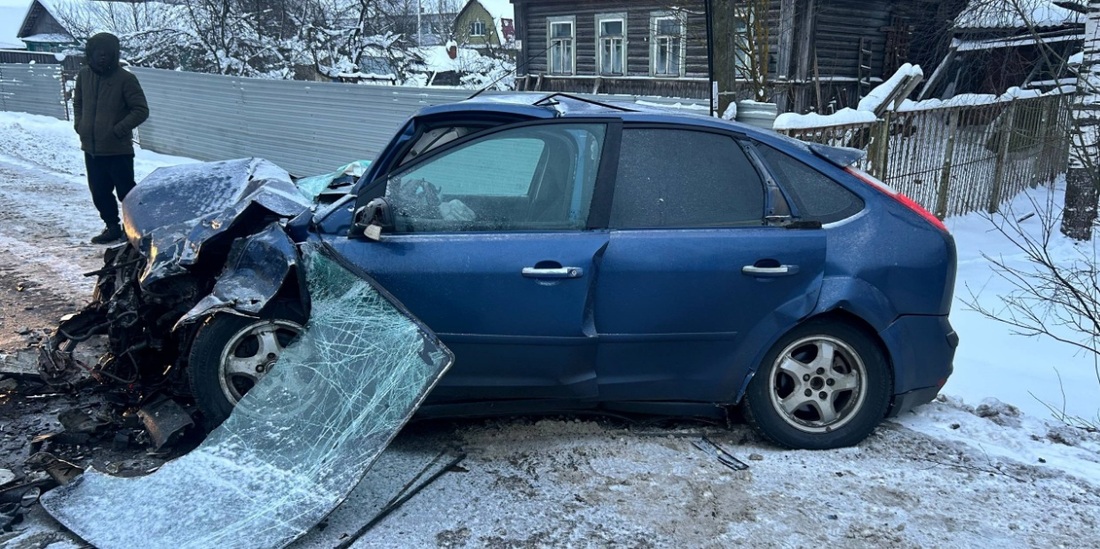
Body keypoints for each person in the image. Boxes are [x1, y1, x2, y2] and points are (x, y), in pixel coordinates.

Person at [73, 32, 149, 244]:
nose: (103, 57)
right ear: (91, 54)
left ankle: (136, 230)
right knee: (99, 192)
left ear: (114, 55)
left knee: (127, 193)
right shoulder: (84, 76)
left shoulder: (126, 79)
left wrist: (119, 129)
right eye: (99, 53)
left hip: (118, 150)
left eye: (107, 54)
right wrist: (79, 124)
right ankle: (112, 227)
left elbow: (141, 110)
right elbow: (77, 102)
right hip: (92, 148)